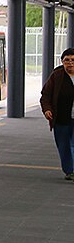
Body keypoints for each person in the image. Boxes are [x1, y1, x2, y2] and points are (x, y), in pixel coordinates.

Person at [40, 48, 74, 180]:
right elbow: (45, 96)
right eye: (67, 60)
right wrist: (47, 110)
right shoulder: (57, 76)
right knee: (64, 144)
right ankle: (69, 170)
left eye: (72, 60)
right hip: (61, 118)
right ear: (62, 62)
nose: (70, 63)